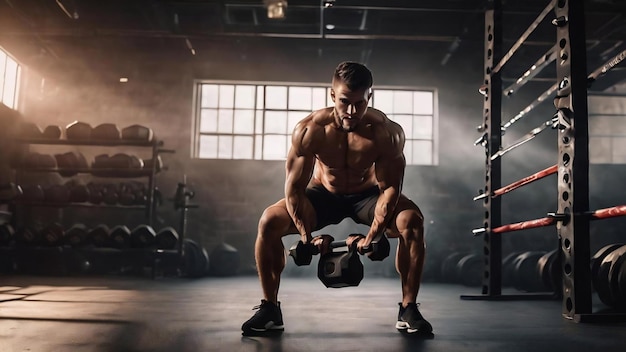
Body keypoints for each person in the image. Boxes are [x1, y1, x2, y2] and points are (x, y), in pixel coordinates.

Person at [241, 61, 432, 336]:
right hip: (323, 195)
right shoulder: (310, 130)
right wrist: (307, 239)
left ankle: (409, 308)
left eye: (360, 102)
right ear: (332, 96)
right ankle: (270, 309)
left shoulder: (386, 133)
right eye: (345, 102)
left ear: (370, 97)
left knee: (412, 221)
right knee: (269, 221)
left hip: (367, 196)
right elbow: (294, 189)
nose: (352, 111)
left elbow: (390, 188)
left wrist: (373, 235)